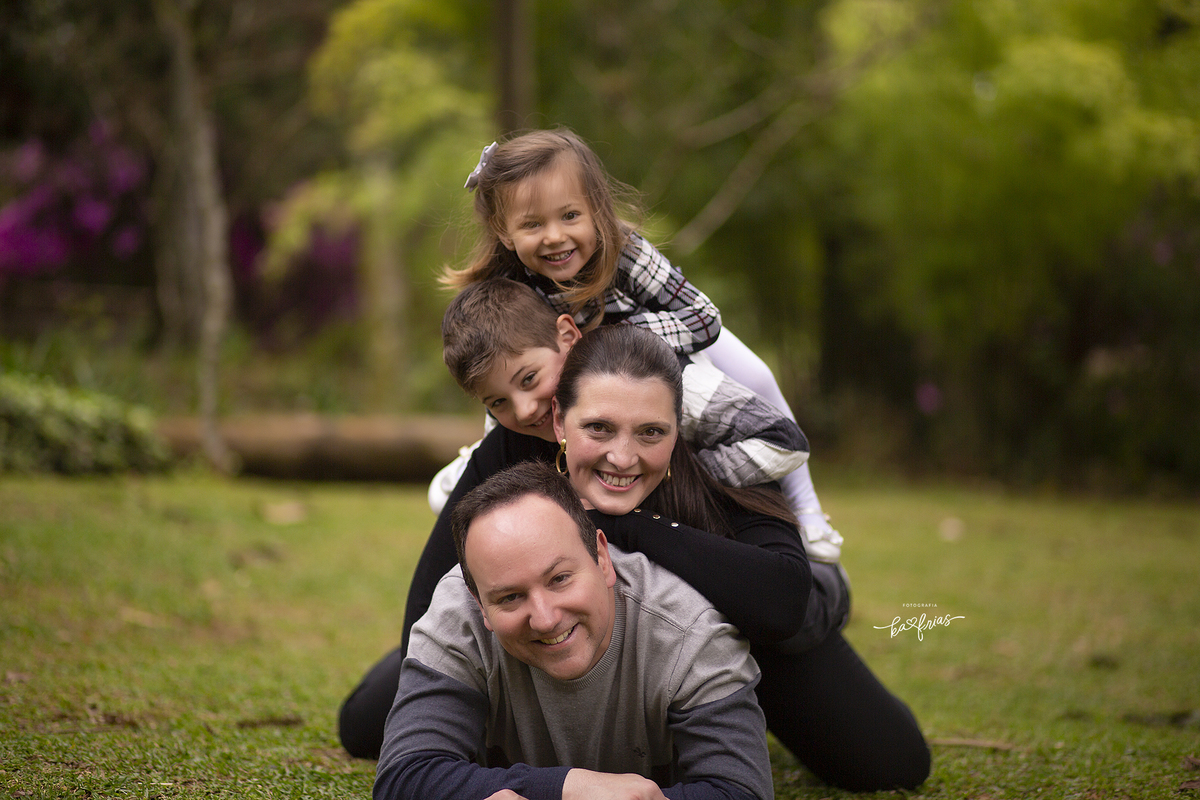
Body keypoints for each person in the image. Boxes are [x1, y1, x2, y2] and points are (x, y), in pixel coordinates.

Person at [347, 325, 930, 791]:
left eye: (651, 433)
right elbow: (429, 610)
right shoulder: (514, 448)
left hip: (751, 627)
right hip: (559, 624)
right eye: (598, 428)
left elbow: (781, 605)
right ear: (559, 421)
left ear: (679, 430)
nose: (622, 457)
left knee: (889, 763)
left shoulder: (724, 461)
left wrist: (620, 525)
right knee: (370, 721)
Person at [438, 127, 843, 564]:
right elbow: (506, 373)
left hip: (666, 339)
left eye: (569, 216)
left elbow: (702, 318)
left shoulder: (625, 251)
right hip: (584, 366)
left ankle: (806, 507)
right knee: (520, 381)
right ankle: (478, 461)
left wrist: (615, 339)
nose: (554, 236)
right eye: (533, 225)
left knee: (757, 376)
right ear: (504, 231)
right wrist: (490, 447)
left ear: (596, 209)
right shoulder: (510, 281)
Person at [374, 460, 775, 800]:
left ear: (602, 557)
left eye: (560, 578)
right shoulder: (456, 614)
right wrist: (565, 787)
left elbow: (742, 791)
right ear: (478, 603)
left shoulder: (689, 631)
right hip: (467, 668)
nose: (546, 618)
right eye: (510, 597)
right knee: (361, 726)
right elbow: (403, 777)